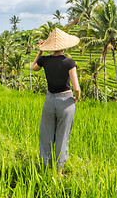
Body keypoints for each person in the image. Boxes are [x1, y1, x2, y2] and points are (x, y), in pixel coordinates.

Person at [32, 28, 81, 176]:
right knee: (62, 135)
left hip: (49, 100)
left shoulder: (44, 60)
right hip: (65, 100)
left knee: (46, 134)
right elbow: (76, 87)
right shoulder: (69, 62)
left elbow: (34, 68)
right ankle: (59, 172)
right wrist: (77, 97)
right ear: (65, 45)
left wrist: (40, 51)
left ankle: (48, 168)